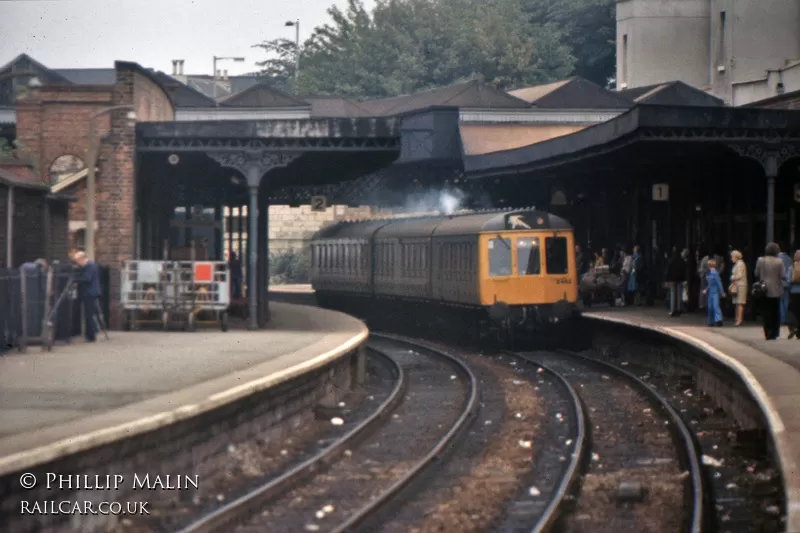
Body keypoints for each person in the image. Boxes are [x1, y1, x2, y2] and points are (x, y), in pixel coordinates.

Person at [755, 242, 788, 341]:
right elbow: (783, 275)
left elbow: (756, 273)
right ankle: (774, 332)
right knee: (775, 311)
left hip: (764, 288)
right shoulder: (779, 261)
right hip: (776, 289)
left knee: (766, 311)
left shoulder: (761, 260)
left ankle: (767, 332)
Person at [72, 251, 102, 343]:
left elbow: (86, 279)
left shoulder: (89, 266)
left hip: (90, 293)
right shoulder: (89, 266)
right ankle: (90, 333)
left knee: (89, 314)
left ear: (82, 258)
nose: (77, 263)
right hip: (88, 293)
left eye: (77, 261)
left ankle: (91, 335)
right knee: (88, 314)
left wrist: (75, 280)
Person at [664, 247, 687, 317]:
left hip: (672, 279)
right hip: (680, 279)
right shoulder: (682, 260)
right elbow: (684, 270)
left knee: (673, 294)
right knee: (679, 294)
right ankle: (679, 309)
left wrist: (666, 279)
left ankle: (672, 310)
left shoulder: (671, 260)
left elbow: (668, 271)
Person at [703, 258, 725, 327]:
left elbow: (719, 283)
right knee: (711, 307)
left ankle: (718, 320)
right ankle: (711, 321)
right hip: (711, 292)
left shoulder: (714, 273)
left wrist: (722, 292)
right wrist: (706, 289)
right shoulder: (710, 273)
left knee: (715, 306)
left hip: (715, 292)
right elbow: (711, 283)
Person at [729, 250, 748, 326]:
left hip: (740, 285)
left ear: (736, 257)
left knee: (740, 302)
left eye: (732, 257)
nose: (731, 258)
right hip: (738, 285)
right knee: (737, 303)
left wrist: (732, 277)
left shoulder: (740, 264)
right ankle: (737, 318)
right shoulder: (738, 264)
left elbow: (739, 275)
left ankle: (739, 319)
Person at [779, 248, 793, 326]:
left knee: (780, 301)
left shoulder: (777, 258)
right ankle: (786, 318)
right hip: (787, 283)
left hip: (779, 283)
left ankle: (782, 318)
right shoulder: (789, 259)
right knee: (786, 301)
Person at [789, 250, 800, 340]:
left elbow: (788, 279)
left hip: (794, 291)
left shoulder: (792, 266)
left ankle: (796, 328)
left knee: (794, 311)